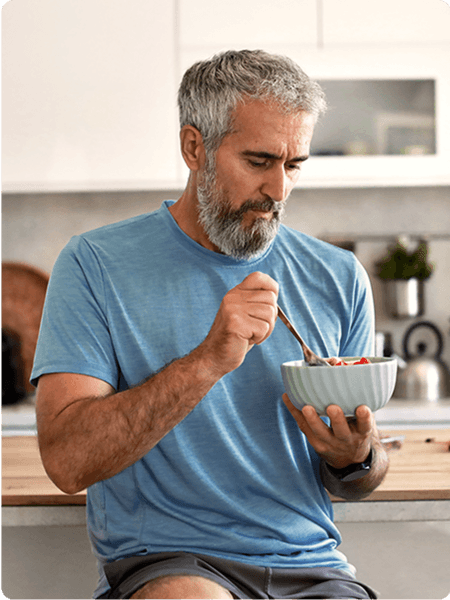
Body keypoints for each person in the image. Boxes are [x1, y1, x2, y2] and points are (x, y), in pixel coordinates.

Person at [32, 49, 388, 600]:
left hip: (312, 567)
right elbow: (67, 462)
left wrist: (356, 457)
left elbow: (361, 476)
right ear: (194, 147)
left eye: (293, 166)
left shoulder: (338, 276)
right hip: (172, 562)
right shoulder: (94, 265)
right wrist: (208, 361)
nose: (279, 190)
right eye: (259, 160)